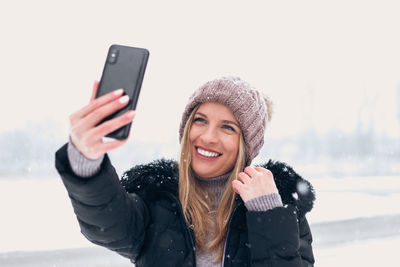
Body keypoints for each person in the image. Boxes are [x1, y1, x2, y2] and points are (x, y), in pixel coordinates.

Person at [55, 76, 316, 266]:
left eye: (228, 128)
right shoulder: (157, 199)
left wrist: (267, 213)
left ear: (247, 146)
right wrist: (86, 160)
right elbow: (106, 224)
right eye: (200, 121)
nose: (208, 137)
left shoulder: (278, 207)